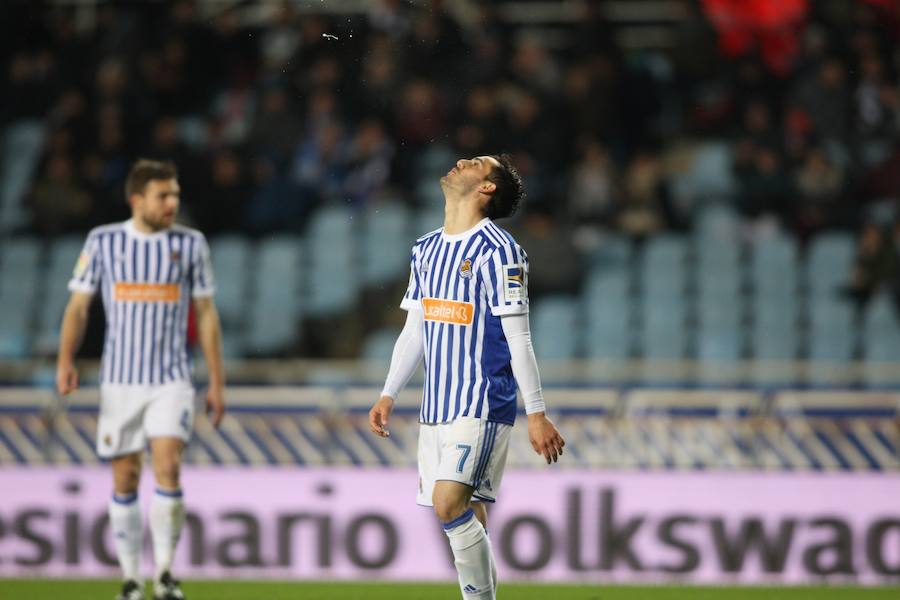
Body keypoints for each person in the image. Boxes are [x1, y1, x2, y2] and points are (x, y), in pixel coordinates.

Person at [369, 154, 565, 600]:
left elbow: (520, 337)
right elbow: (415, 329)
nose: (460, 161)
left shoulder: (500, 252)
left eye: (476, 163)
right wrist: (388, 392)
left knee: (447, 505)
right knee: (470, 513)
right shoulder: (425, 249)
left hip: (481, 402)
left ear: (487, 187)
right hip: (435, 408)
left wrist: (536, 413)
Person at [56, 159, 225, 600]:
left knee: (168, 464)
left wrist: (217, 380)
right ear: (137, 200)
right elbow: (78, 307)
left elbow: (206, 314)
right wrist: (65, 360)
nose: (172, 203)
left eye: (175, 195)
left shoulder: (191, 245)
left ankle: (166, 574)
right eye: (163, 196)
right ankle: (132, 579)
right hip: (119, 380)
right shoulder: (103, 241)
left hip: (172, 377)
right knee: (126, 477)